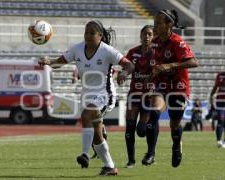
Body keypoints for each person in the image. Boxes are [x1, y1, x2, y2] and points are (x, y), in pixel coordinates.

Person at [38, 20, 134, 176]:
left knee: (86, 115)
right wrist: (48, 62)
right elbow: (59, 62)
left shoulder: (107, 50)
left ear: (100, 36)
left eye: (92, 33)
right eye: (86, 32)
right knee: (97, 134)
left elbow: (129, 65)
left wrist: (123, 73)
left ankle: (84, 154)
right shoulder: (77, 49)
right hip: (87, 95)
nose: (88, 36)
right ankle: (109, 167)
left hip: (105, 94)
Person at [148, 9, 198, 168]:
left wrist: (170, 65)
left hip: (178, 87)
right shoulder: (154, 42)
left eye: (158, 23)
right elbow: (155, 64)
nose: (155, 25)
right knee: (154, 113)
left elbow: (193, 62)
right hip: (161, 86)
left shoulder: (177, 42)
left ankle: (176, 146)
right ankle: (150, 153)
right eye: (155, 22)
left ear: (169, 24)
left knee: (174, 124)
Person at [124, 25, 156, 168]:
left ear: (154, 36)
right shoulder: (133, 52)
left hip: (149, 96)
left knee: (142, 130)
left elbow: (162, 72)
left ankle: (151, 153)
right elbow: (127, 67)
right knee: (130, 127)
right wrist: (123, 74)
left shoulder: (158, 53)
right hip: (134, 94)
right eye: (144, 34)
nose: (147, 37)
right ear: (141, 36)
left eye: (149, 34)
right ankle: (131, 161)